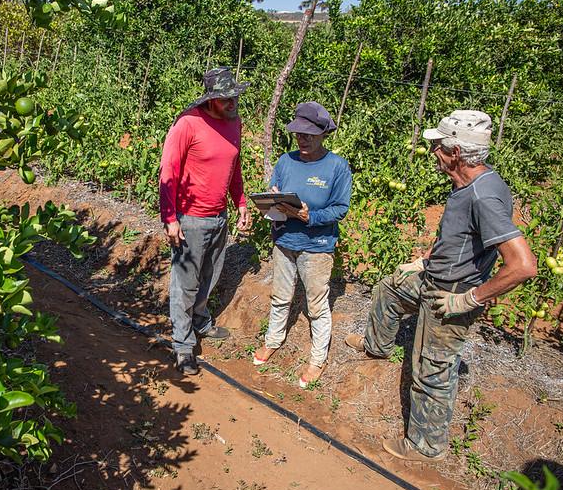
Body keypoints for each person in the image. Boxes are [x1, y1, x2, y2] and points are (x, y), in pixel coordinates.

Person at [344, 110, 537, 462]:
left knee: (431, 368)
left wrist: (468, 300)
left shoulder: (484, 196)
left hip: (452, 292)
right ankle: (376, 346)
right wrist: (425, 261)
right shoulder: (467, 185)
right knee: (389, 290)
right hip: (434, 277)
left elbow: (523, 266)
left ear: (456, 153)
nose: (433, 151)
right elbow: (458, 234)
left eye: (438, 146)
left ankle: (425, 446)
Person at [159, 67, 251, 376]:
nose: (232, 103)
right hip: (190, 220)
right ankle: (183, 346)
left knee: (210, 276)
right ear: (211, 100)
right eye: (226, 99)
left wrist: (239, 202)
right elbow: (168, 172)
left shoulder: (234, 123)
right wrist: (170, 218)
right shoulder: (188, 124)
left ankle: (200, 320)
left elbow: (234, 168)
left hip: (218, 218)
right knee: (184, 285)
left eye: (234, 97)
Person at [252, 102, 352, 387]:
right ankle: (273, 341)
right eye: (298, 133)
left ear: (323, 134)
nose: (302, 139)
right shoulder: (286, 161)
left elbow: (340, 209)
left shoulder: (337, 167)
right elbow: (275, 192)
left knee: (317, 305)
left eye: (309, 134)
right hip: (285, 240)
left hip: (317, 246)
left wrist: (311, 216)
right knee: (281, 297)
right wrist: (273, 201)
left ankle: (318, 359)